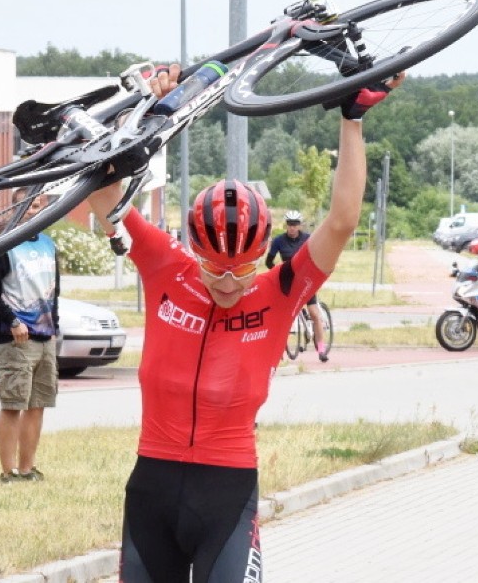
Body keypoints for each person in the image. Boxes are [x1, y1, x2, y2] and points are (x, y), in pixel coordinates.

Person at [86, 65, 405, 582]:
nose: (229, 284)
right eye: (214, 268)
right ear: (193, 250)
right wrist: (145, 106)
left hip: (227, 492)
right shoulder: (166, 266)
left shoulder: (279, 292)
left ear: (263, 255)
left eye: (242, 270)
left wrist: (353, 120)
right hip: (152, 485)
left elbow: (342, 220)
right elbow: (102, 190)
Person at [0, 190, 59, 483]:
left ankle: (27, 468)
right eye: (26, 206)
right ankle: (7, 471)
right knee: (13, 404)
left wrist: (54, 328)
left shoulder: (49, 245)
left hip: (45, 339)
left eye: (37, 206)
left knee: (37, 405)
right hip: (16, 339)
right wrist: (11, 320)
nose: (33, 211)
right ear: (14, 208)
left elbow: (53, 291)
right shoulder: (4, 245)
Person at [265, 209, 329, 362]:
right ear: (286, 225)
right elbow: (269, 262)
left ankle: (321, 350)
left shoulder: (308, 239)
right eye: (289, 224)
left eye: (295, 224)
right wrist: (278, 272)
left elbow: (319, 255)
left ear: (300, 225)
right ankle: (279, 351)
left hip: (306, 282)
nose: (292, 227)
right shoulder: (279, 241)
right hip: (289, 282)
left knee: (314, 314)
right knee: (282, 316)